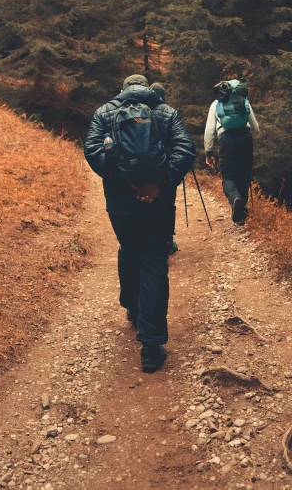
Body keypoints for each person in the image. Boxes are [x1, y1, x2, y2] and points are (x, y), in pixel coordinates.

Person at [84, 74, 196, 373]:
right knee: (154, 260)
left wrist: (126, 183)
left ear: (122, 91)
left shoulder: (105, 112)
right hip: (157, 203)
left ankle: (132, 306)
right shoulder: (167, 112)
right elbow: (185, 149)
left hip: (120, 204)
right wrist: (158, 185)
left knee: (129, 248)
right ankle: (150, 347)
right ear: (147, 89)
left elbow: (93, 152)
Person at [204, 79, 259, 225]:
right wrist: (247, 136)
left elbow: (209, 130)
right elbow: (256, 128)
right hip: (245, 137)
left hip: (226, 139)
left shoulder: (216, 104)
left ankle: (235, 198)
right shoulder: (243, 99)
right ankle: (241, 213)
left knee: (228, 176)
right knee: (244, 174)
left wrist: (209, 152)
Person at [150, 82, 179, 256]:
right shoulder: (169, 112)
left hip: (147, 165)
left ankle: (151, 240)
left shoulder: (140, 111)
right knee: (168, 204)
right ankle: (167, 241)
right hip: (167, 166)